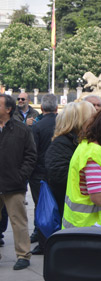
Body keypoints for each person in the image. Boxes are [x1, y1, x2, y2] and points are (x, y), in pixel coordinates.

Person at [0, 94, 37, 270]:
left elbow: (31, 155)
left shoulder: (21, 130)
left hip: (14, 184)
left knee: (18, 221)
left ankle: (23, 255)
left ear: (8, 109)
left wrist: (21, 175)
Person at [45, 101, 96, 218]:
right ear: (79, 121)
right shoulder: (62, 144)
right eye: (92, 117)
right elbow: (59, 176)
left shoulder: (80, 141)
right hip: (70, 210)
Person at [29, 93, 58, 255]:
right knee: (58, 207)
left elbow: (33, 151)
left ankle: (43, 242)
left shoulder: (37, 127)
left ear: (41, 108)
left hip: (39, 174)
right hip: (58, 172)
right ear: (56, 107)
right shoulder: (63, 124)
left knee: (41, 209)